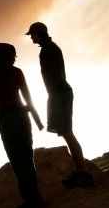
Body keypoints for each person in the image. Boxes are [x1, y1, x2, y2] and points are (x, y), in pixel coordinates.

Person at [0, 42, 46, 208]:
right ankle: (35, 199)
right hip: (22, 117)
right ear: (5, 55)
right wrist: (37, 120)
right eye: (14, 55)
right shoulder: (15, 72)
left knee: (18, 160)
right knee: (27, 158)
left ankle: (31, 200)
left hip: (6, 119)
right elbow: (28, 97)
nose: (15, 59)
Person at [26, 22, 94, 188]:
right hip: (57, 94)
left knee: (67, 132)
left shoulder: (49, 48)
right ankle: (80, 172)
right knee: (65, 132)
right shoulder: (48, 47)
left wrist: (55, 96)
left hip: (59, 94)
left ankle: (83, 174)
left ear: (37, 33)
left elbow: (54, 75)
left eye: (32, 35)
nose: (31, 38)